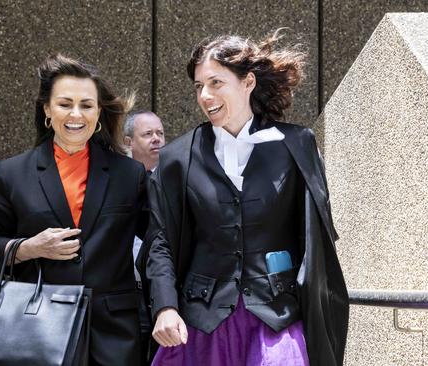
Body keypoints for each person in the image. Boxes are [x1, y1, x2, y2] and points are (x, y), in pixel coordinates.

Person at [142, 31, 349, 366]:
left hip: (276, 313)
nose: (205, 95)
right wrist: (165, 306)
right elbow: (161, 241)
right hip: (201, 321)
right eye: (199, 86)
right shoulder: (177, 158)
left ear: (247, 82)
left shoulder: (295, 146)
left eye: (216, 83)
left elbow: (315, 237)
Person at [0, 53, 147, 366]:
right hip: (37, 328)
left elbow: (160, 243)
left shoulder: (130, 174)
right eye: (65, 104)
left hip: (113, 336)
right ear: (46, 110)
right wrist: (29, 247)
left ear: (98, 112)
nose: (76, 114)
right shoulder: (11, 173)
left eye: (86, 105)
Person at [124, 110, 166, 365]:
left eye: (160, 133)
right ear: (128, 142)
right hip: (126, 294)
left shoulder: (172, 179)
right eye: (148, 134)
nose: (156, 139)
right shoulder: (116, 180)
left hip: (162, 295)